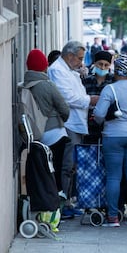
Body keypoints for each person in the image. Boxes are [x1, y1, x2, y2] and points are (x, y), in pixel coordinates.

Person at [48, 41, 100, 218]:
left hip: (76, 122)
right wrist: (90, 100)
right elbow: (67, 97)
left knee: (72, 166)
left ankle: (69, 200)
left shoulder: (69, 70)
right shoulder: (57, 70)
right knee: (67, 165)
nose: (81, 62)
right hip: (69, 123)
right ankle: (63, 203)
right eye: (79, 58)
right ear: (69, 56)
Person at [93, 55, 127, 228]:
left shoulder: (110, 89)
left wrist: (102, 121)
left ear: (116, 69)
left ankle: (113, 217)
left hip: (113, 135)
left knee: (114, 177)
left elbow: (99, 114)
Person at [24, 49, 70, 199]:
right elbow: (64, 109)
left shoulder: (23, 86)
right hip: (55, 133)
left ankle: (45, 200)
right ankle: (57, 203)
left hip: (35, 137)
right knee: (57, 170)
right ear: (44, 66)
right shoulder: (47, 85)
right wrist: (62, 118)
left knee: (43, 171)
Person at [82, 51, 114, 144]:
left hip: (108, 125)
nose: (103, 67)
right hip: (89, 125)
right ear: (94, 64)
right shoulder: (86, 81)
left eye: (106, 65)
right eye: (100, 64)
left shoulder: (113, 81)